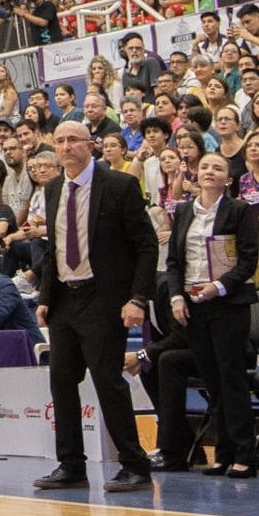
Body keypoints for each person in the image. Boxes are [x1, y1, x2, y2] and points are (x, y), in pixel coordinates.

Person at [33, 121, 158, 493]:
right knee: (61, 382)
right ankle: (71, 465)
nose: (66, 146)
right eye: (59, 141)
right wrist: (44, 297)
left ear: (90, 145)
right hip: (64, 300)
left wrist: (137, 299)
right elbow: (55, 249)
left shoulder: (118, 186)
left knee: (107, 381)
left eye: (73, 140)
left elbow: (146, 246)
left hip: (105, 298)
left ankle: (135, 465)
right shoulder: (54, 187)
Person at [165, 151, 259, 478]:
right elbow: (175, 262)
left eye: (217, 167)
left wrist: (218, 286)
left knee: (231, 380)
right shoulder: (183, 210)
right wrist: (177, 295)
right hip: (193, 304)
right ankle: (222, 453)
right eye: (204, 166)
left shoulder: (239, 210)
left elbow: (248, 260)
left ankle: (245, 455)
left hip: (227, 304)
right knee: (212, 382)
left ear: (228, 178)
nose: (209, 171)